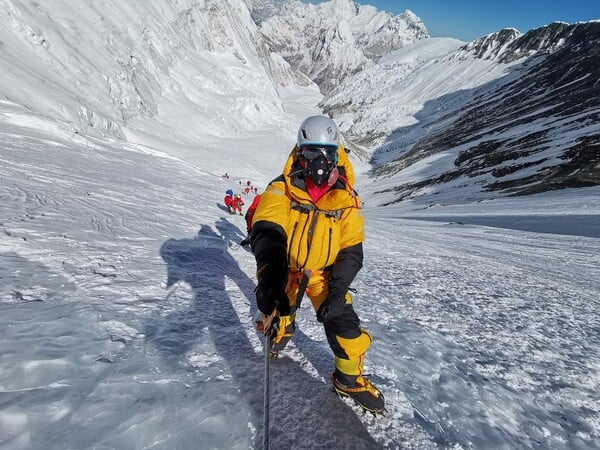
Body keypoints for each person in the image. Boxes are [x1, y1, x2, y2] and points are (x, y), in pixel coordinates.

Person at [250, 115, 385, 413]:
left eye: (328, 154)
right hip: (289, 270)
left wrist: (337, 294)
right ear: (300, 153)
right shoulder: (282, 188)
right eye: (312, 153)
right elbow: (267, 229)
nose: (320, 162)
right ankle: (281, 328)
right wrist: (270, 273)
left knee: (346, 327)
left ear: (337, 155)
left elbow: (351, 249)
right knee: (280, 304)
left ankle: (348, 378)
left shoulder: (346, 198)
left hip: (324, 276)